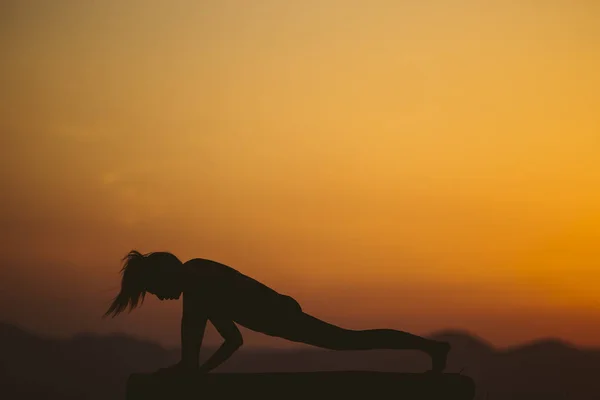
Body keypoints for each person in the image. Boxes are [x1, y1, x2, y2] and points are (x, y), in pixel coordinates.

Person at [104, 250, 451, 375]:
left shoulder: (196, 286)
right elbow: (233, 341)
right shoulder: (197, 281)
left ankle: (432, 348)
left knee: (349, 341)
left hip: (281, 315)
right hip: (280, 312)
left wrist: (187, 372)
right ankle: (432, 349)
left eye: (154, 290)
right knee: (348, 340)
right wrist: (199, 371)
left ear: (165, 275)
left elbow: (189, 363)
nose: (160, 298)